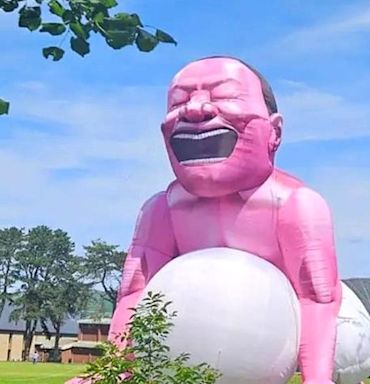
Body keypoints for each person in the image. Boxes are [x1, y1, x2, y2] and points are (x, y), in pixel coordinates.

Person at [67, 56, 341, 384]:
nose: (195, 109)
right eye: (179, 100)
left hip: (272, 344)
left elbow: (316, 297)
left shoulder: (296, 206)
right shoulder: (163, 209)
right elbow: (134, 294)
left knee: (350, 342)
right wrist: (114, 371)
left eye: (224, 95)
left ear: (275, 131)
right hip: (190, 349)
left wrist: (316, 378)